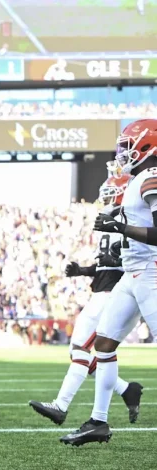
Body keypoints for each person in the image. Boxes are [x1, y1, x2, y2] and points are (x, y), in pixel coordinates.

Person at [62, 119, 157, 445]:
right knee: (103, 345)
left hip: (150, 272)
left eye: (128, 146)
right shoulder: (138, 179)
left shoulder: (152, 178)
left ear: (147, 145)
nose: (123, 153)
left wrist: (120, 229)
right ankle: (98, 422)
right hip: (131, 275)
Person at [30, 173, 142, 425]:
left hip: (115, 294)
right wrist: (82, 270)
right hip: (100, 292)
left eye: (112, 191)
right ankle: (126, 390)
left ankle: (61, 406)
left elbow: (133, 259)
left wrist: (118, 260)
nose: (106, 196)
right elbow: (107, 263)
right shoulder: (111, 219)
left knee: (83, 349)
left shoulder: (131, 219)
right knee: (77, 349)